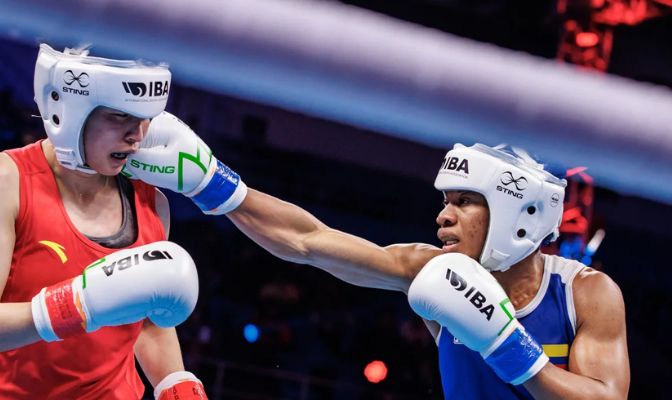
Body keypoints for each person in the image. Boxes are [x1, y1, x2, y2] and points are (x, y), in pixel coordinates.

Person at [125, 117, 630, 399]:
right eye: (444, 201)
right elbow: (309, 241)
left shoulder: (584, 293)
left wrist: (505, 343)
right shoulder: (432, 270)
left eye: (463, 202)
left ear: (517, 212)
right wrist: (211, 182)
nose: (443, 217)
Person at [0, 44, 208, 399]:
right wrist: (74, 305)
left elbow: (145, 319)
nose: (137, 135)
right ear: (73, 110)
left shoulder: (152, 204)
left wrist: (175, 384)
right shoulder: (4, 181)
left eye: (145, 118)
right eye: (121, 116)